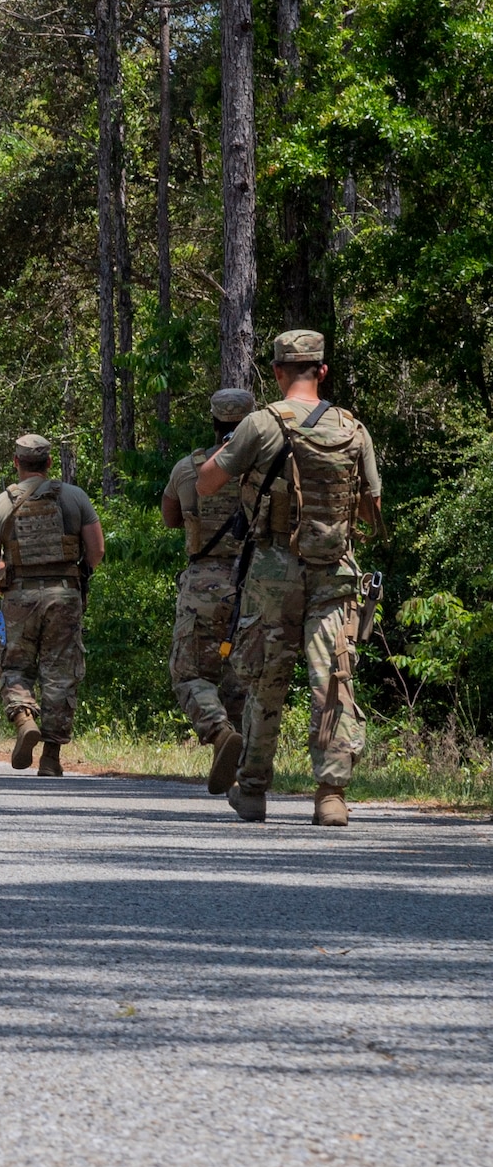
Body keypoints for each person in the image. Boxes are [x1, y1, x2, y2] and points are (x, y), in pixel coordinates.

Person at [196, 330, 382, 826]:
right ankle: (331, 795)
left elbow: (208, 480)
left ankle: (253, 791)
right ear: (322, 371)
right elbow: (370, 507)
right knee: (334, 678)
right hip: (335, 569)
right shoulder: (353, 429)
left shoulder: (260, 422)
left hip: (274, 568)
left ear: (277, 372)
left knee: (264, 679)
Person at [0, 433, 105, 777]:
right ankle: (51, 757)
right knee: (60, 674)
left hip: (19, 597)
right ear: (49, 463)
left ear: (17, 463)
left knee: (15, 667)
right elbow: (96, 553)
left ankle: (23, 719)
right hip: (64, 595)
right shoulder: (75, 497)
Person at [162, 389, 258, 795]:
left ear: (214, 420)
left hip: (204, 584)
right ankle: (244, 765)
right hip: (254, 583)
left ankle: (219, 734)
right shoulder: (266, 467)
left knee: (188, 674)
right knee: (242, 680)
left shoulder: (190, 468)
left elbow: (169, 517)